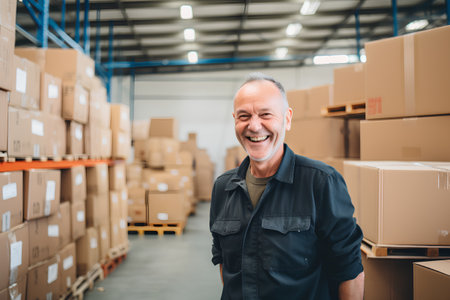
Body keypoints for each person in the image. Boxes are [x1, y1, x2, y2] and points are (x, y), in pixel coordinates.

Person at [209, 73, 364, 300]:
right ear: (235, 120)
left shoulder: (321, 183)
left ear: (287, 119)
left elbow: (349, 271)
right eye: (244, 116)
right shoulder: (223, 188)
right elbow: (226, 265)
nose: (254, 126)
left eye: (265, 115)